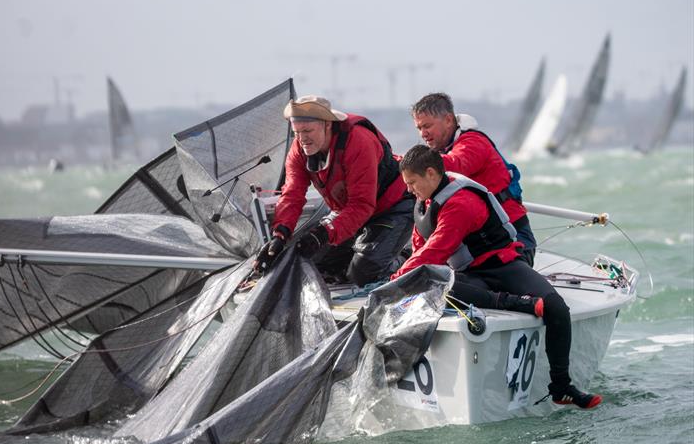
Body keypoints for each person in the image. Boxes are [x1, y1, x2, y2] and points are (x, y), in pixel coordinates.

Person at [391, 145, 601, 409]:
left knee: (556, 307)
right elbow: (420, 248)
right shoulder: (426, 201)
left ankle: (562, 386)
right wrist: (401, 278)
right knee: (433, 288)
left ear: (431, 174)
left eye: (412, 183)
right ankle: (518, 304)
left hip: (503, 267)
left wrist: (396, 281)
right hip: (468, 275)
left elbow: (436, 251)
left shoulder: (460, 202)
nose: (409, 189)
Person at [254, 95, 414, 286]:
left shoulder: (358, 142)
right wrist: (280, 235)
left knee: (363, 274)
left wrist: (323, 234)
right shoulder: (299, 148)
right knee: (309, 262)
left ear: (327, 125)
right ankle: (360, 255)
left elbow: (362, 205)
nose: (302, 139)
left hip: (391, 208)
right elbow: (292, 193)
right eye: (297, 133)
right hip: (348, 212)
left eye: (307, 131)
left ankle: (406, 256)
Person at [411, 92, 537, 266]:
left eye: (427, 126)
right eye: (419, 128)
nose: (423, 133)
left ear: (448, 120)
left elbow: (456, 164)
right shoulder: (439, 156)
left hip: (513, 238)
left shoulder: (473, 143)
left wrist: (409, 164)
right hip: (477, 243)